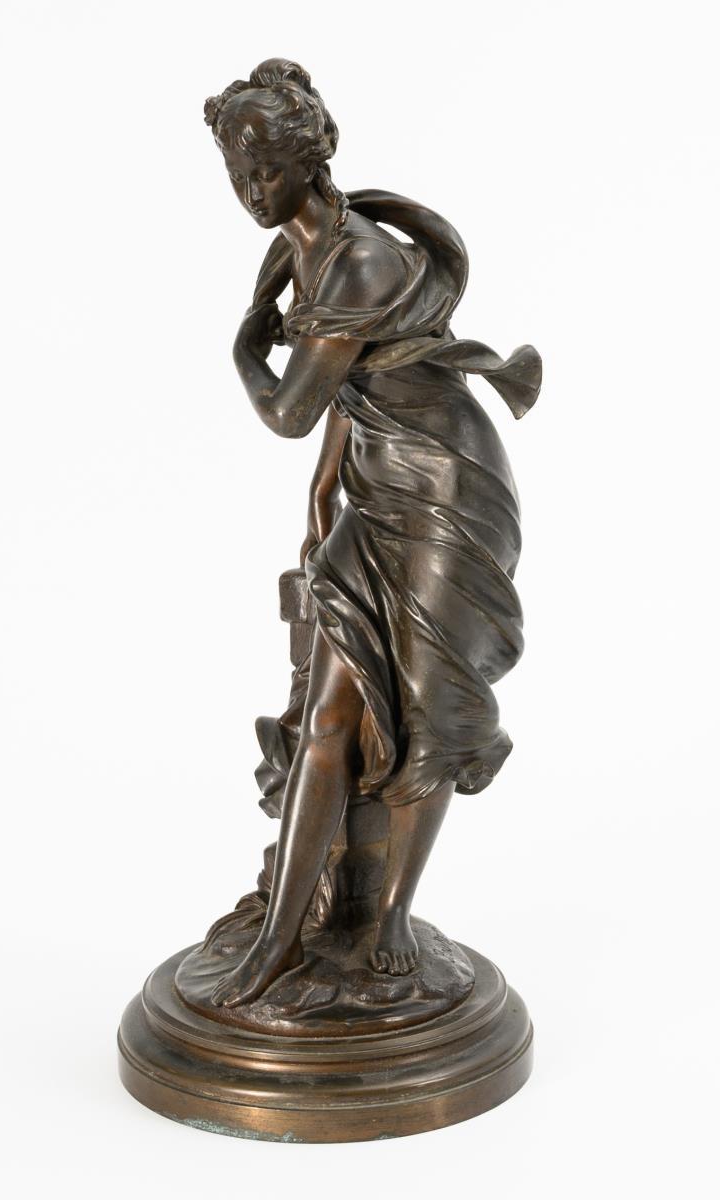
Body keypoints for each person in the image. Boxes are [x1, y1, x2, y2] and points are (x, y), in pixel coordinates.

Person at [204, 59, 541, 1008]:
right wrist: (323, 511)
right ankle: (279, 937)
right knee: (327, 718)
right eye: (237, 172)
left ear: (311, 159)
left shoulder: (355, 257)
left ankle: (389, 916)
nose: (252, 190)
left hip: (445, 489)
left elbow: (290, 410)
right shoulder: (297, 252)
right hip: (376, 480)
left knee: (426, 712)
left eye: (267, 168)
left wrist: (243, 349)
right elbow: (350, 394)